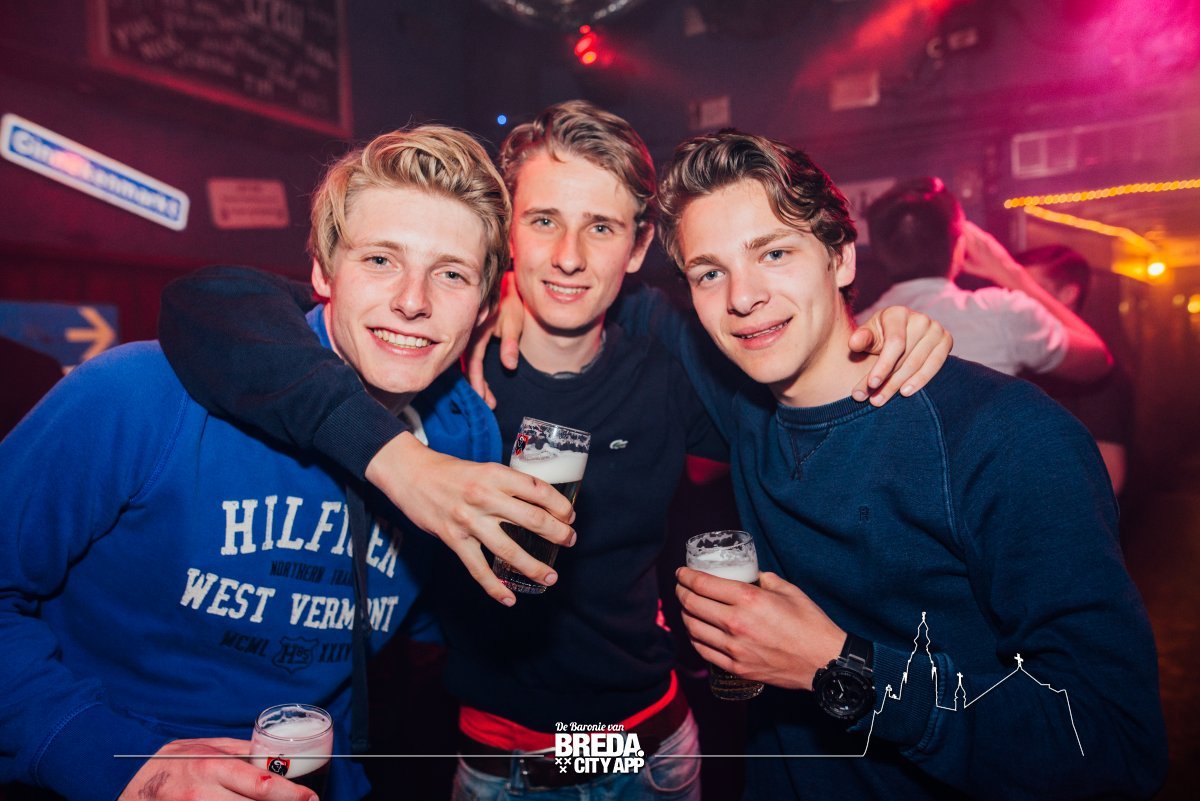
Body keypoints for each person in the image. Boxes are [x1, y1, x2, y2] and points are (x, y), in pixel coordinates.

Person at [153, 102, 951, 800]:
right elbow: (222, 308)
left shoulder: (674, 370)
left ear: (636, 247)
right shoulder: (432, 368)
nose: (569, 255)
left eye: (600, 226)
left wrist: (874, 332)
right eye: (542, 221)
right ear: (505, 235)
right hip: (504, 763)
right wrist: (408, 451)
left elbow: (801, 404)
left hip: (653, 749)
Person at [0, 125, 522, 801]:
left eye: (451, 274)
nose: (413, 300)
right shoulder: (138, 395)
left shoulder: (463, 440)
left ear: (485, 304)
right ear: (323, 272)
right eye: (380, 260)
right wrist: (113, 760)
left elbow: (441, 622)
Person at [659, 131, 1166, 799]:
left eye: (774, 253)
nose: (742, 297)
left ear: (841, 256)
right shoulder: (744, 404)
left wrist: (840, 668)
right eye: (709, 272)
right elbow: (596, 290)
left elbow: (1111, 744)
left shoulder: (1006, 438)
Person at [857, 177, 1112, 381]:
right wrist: (1011, 274)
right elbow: (1097, 360)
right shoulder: (1001, 312)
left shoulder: (857, 332)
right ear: (959, 245)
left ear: (877, 252)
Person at [1017, 244, 1135, 495]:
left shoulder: (1094, 369)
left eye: (1026, 291)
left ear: (1067, 294)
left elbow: (1109, 476)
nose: (1013, 302)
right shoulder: (1025, 356)